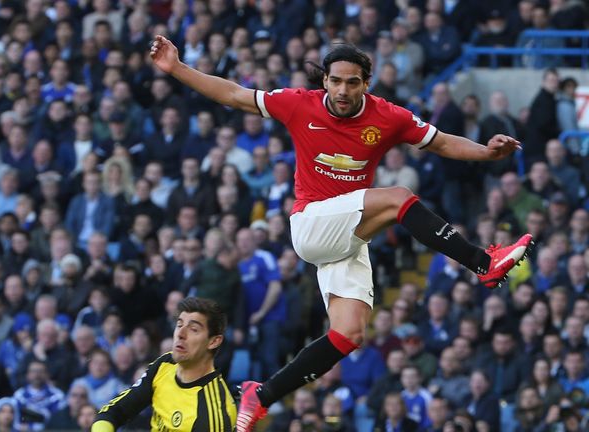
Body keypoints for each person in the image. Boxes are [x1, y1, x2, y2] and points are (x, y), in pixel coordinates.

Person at [149, 37, 533, 431]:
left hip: (349, 234)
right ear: (325, 81)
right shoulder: (300, 103)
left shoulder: (389, 116)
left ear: (366, 83)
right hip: (312, 223)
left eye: (352, 83)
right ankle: (483, 262)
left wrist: (487, 153)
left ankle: (260, 395)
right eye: (335, 81)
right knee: (398, 198)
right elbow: (233, 93)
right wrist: (178, 68)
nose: (343, 91)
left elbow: (442, 142)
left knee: (349, 334)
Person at [91, 297, 236, 431]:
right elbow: (114, 411)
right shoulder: (165, 364)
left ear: (214, 341)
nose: (181, 334)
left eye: (193, 329)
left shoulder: (215, 414)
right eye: (179, 325)